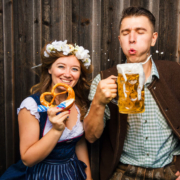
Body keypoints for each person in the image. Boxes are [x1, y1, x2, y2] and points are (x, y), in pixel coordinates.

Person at [83, 6, 180, 180]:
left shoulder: (174, 73)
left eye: (140, 32)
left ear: (153, 38)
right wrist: (98, 102)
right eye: (126, 33)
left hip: (169, 172)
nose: (132, 39)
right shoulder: (103, 79)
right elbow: (91, 137)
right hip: (124, 173)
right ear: (120, 40)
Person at [0, 40, 92, 180]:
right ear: (49, 69)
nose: (68, 74)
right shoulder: (32, 106)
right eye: (61, 66)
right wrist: (56, 130)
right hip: (40, 174)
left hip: (72, 173)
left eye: (74, 69)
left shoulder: (78, 104)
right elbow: (28, 159)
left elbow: (79, 143)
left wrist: (88, 178)